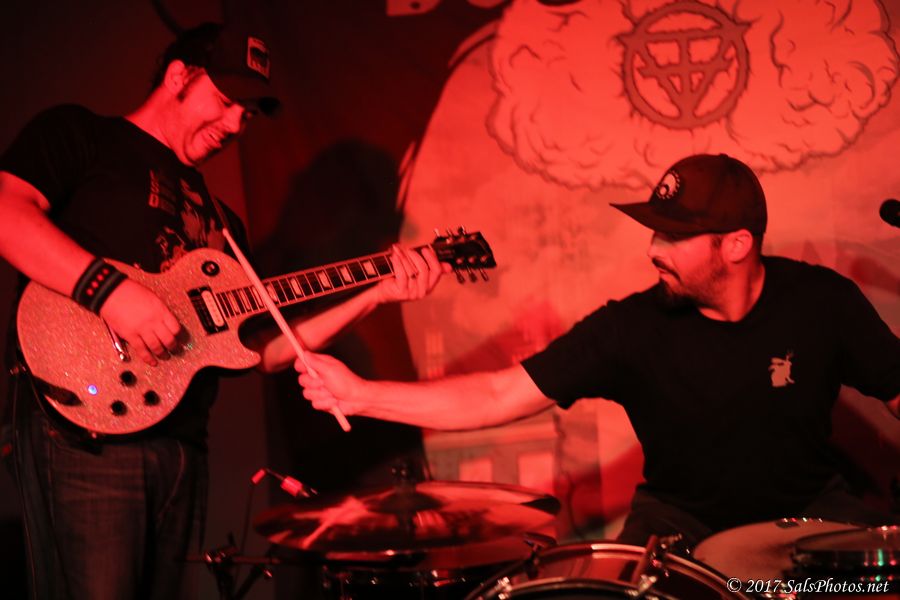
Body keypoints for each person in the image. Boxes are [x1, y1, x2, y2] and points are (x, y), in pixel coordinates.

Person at [0, 22, 444, 600]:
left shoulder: (222, 222)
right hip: (86, 432)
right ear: (178, 76)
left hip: (182, 448)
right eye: (226, 101)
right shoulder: (81, 134)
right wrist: (109, 291)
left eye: (248, 114)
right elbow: (7, 212)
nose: (235, 125)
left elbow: (267, 349)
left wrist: (376, 293)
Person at [297, 153, 900, 548]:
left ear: (737, 245)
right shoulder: (631, 328)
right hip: (679, 529)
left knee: (873, 583)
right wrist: (360, 395)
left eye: (675, 235)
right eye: (655, 231)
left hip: (809, 516)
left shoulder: (823, 302)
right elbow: (499, 394)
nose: (653, 249)